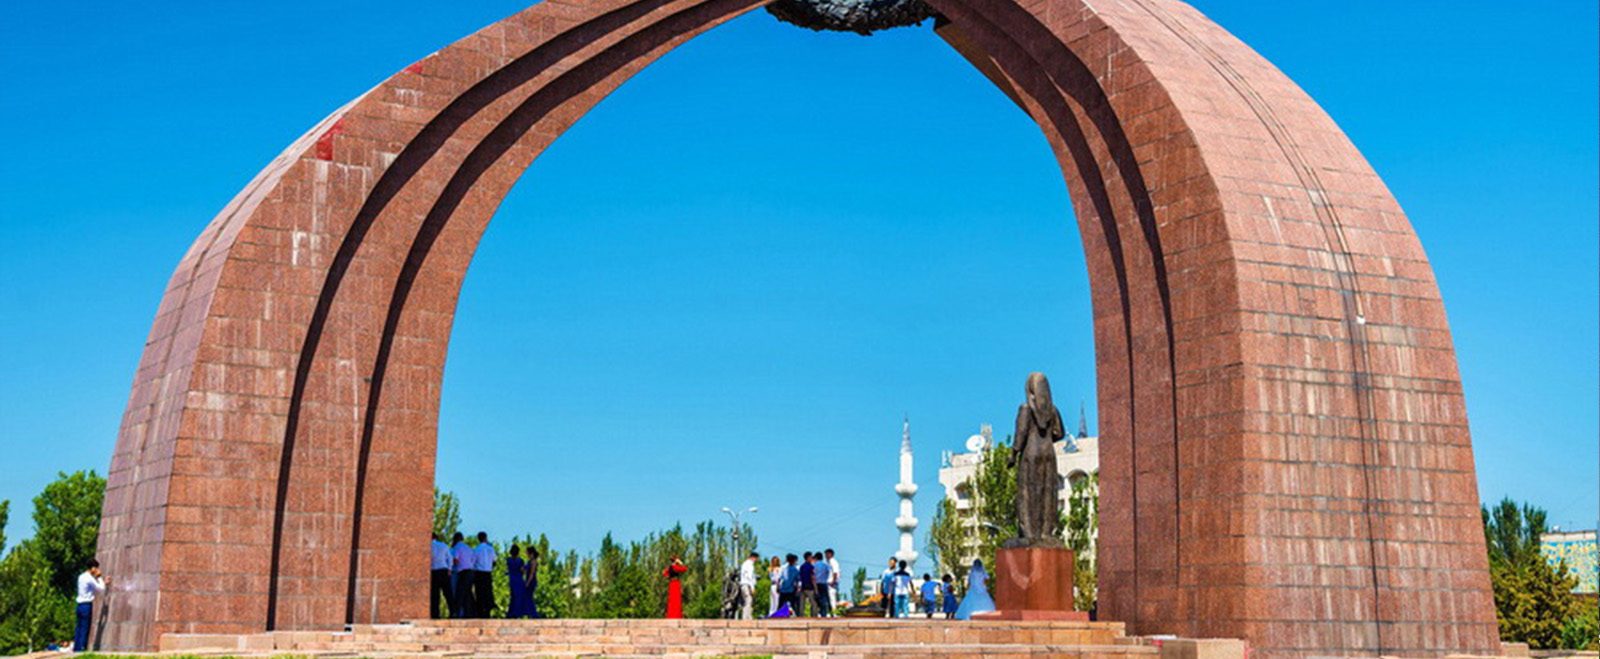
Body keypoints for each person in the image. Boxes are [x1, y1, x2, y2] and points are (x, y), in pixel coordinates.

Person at [74, 559, 108, 652]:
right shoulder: (89, 578)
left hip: (79, 605)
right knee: (85, 627)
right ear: (92, 568)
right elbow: (101, 589)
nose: (97, 570)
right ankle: (81, 649)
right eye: (96, 568)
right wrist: (99, 577)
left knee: (79, 627)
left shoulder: (81, 576)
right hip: (86, 605)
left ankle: (76, 647)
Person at [505, 545, 536, 619]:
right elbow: (523, 570)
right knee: (519, 597)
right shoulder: (520, 560)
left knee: (513, 596)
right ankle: (518, 613)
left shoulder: (508, 560)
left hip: (512, 579)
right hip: (519, 579)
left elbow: (508, 569)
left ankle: (511, 613)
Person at [473, 532, 497, 617]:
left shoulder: (476, 549)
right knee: (488, 592)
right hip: (488, 573)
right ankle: (488, 611)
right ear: (486, 538)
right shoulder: (491, 549)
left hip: (479, 573)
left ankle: (480, 611)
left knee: (479, 593)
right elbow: (494, 561)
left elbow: (473, 562)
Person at [430, 533, 454, 619]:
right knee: (448, 593)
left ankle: (435, 614)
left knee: (435, 595)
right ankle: (453, 612)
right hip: (444, 570)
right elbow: (450, 558)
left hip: (433, 571)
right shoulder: (443, 545)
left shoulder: (428, 546)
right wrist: (449, 569)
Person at [450, 532, 474, 618]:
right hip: (471, 572)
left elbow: (455, 560)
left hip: (463, 572)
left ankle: (456, 612)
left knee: (459, 593)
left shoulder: (457, 547)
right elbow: (473, 559)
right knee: (467, 593)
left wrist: (451, 566)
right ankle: (468, 613)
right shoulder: (468, 547)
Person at [811, 549, 833, 617]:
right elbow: (829, 572)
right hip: (824, 583)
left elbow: (813, 576)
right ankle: (825, 614)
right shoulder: (825, 565)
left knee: (816, 600)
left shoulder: (814, 565)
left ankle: (817, 614)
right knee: (825, 599)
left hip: (816, 584)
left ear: (816, 558)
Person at [738, 552, 759, 620]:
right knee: (749, 600)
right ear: (753, 557)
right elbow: (750, 577)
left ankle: (747, 616)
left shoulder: (744, 564)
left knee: (746, 601)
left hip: (743, 584)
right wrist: (752, 587)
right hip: (747, 584)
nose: (756, 560)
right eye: (756, 559)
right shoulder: (750, 565)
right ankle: (746, 618)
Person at [797, 552, 816, 617]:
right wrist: (816, 589)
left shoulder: (801, 566)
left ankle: (801, 616)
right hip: (810, 587)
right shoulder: (811, 567)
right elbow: (813, 577)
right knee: (813, 604)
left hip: (803, 587)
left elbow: (800, 577)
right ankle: (814, 616)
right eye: (811, 557)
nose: (812, 559)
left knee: (802, 604)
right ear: (808, 558)